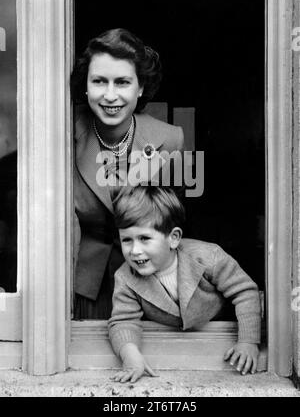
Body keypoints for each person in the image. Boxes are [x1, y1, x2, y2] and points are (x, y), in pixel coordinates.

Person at [71, 28, 184, 319]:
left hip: (148, 283)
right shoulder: (66, 130)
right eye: (99, 81)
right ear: (86, 86)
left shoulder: (170, 140)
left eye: (122, 82)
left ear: (140, 87)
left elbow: (172, 219)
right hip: (83, 287)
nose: (110, 95)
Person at [108, 186, 261, 383]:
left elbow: (245, 292)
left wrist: (248, 341)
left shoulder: (208, 257)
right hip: (173, 346)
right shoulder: (125, 277)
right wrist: (130, 356)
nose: (135, 250)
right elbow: (123, 321)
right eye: (127, 240)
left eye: (144, 238)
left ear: (173, 238)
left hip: (218, 336)